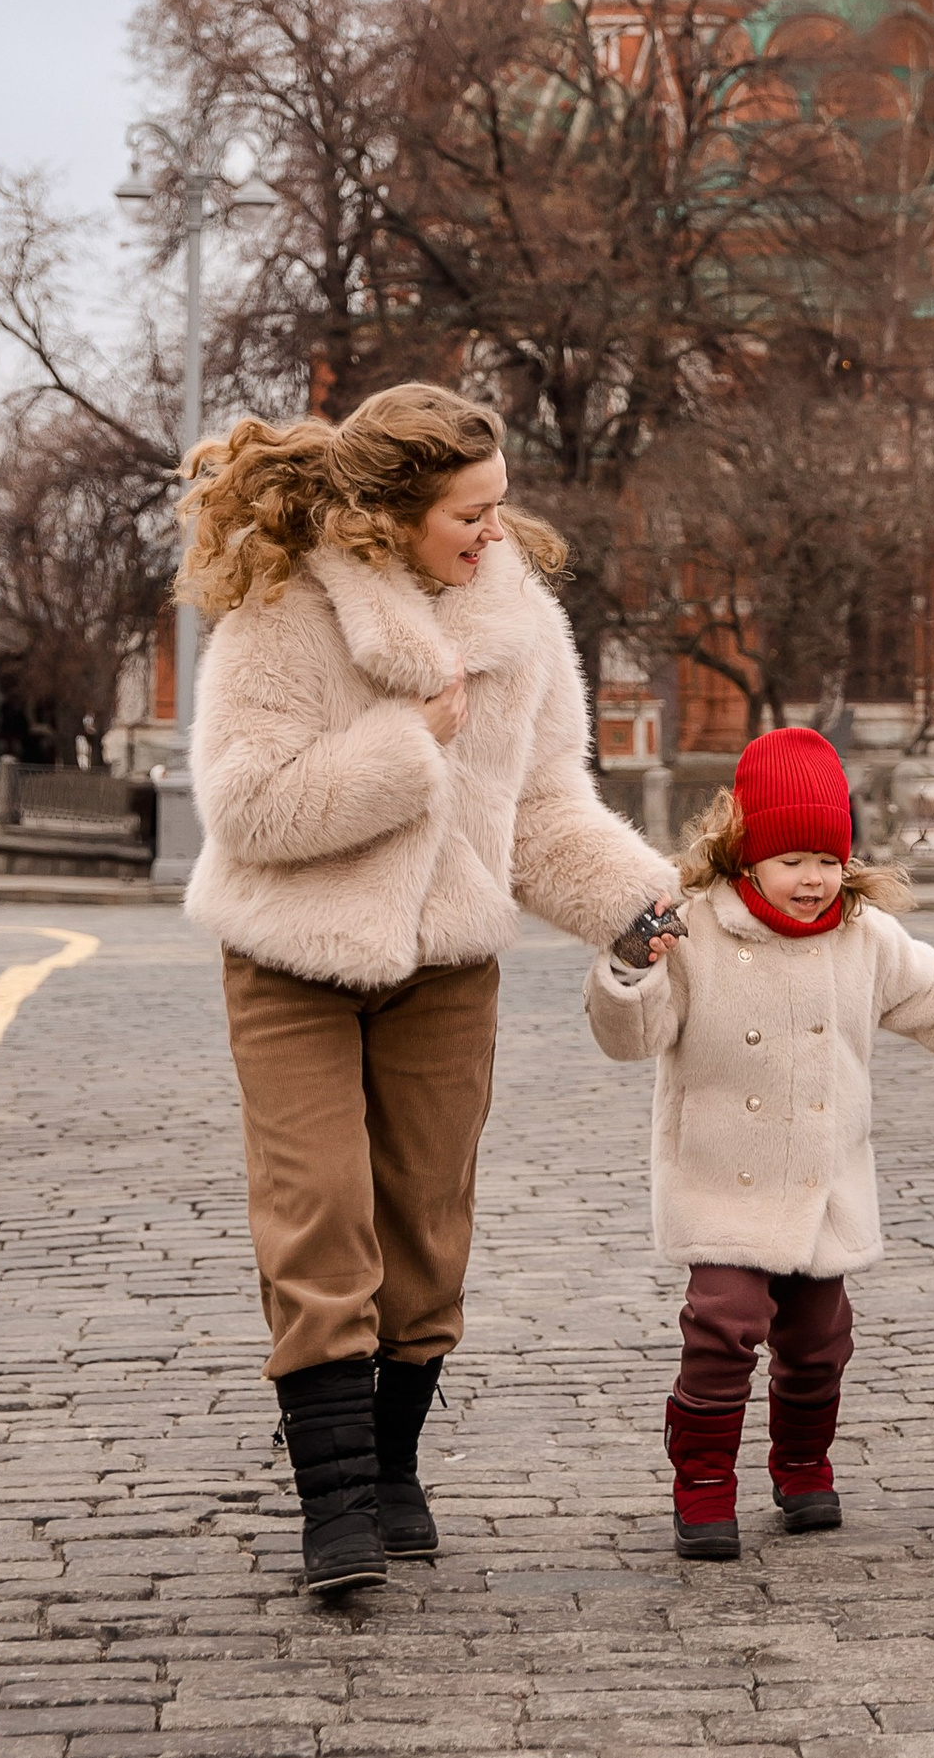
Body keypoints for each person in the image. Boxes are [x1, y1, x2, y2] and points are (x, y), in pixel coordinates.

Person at [182, 383, 676, 1597]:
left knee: (427, 1226)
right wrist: (410, 744)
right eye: (469, 512)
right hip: (292, 959)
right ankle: (337, 1504)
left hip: (447, 966)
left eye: (499, 505)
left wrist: (642, 902)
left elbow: (543, 812)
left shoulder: (522, 627)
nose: (494, 532)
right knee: (320, 1215)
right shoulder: (283, 609)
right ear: (391, 513)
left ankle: (393, 1463)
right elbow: (247, 808)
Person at [586, 724, 934, 1562]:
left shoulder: (863, 936)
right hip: (722, 1174)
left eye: (827, 859)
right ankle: (703, 1481)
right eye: (791, 859)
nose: (812, 879)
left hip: (823, 1180)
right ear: (746, 853)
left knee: (820, 1341)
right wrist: (630, 968)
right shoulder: (693, 929)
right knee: (723, 1326)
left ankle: (801, 1464)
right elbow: (631, 1036)